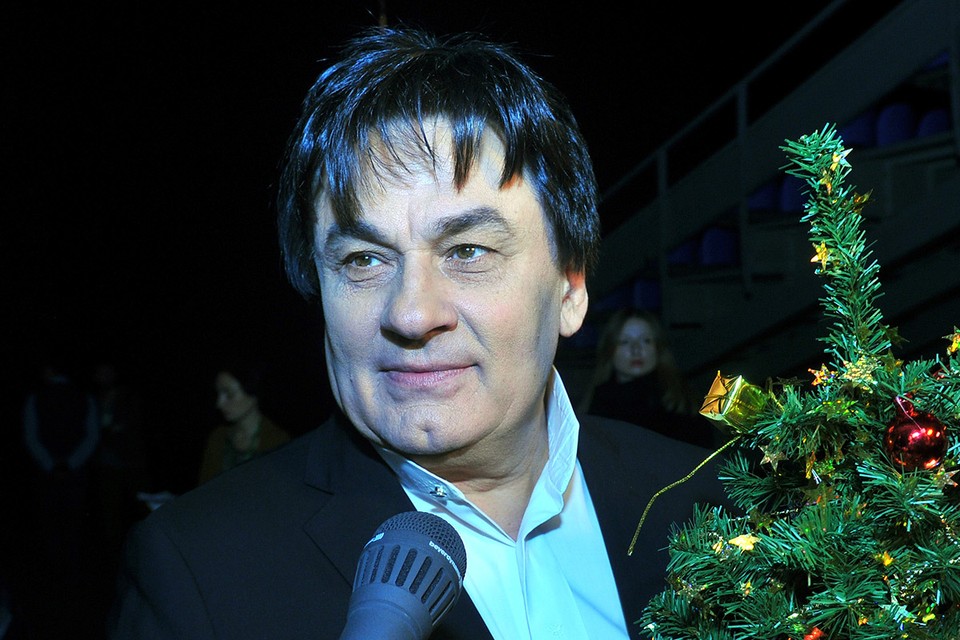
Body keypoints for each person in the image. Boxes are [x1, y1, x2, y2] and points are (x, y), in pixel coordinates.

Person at [108, 27, 732, 639]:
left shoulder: (712, 500)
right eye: (363, 260)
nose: (410, 314)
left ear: (570, 290)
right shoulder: (196, 577)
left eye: (467, 251)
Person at [578, 307, 718, 448]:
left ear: (658, 347)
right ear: (610, 350)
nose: (636, 349)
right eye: (625, 341)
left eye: (646, 340)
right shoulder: (596, 406)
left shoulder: (683, 405)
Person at [197, 361, 291, 484]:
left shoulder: (278, 441)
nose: (219, 403)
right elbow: (203, 488)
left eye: (229, 394)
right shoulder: (217, 438)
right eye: (218, 394)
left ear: (252, 392)